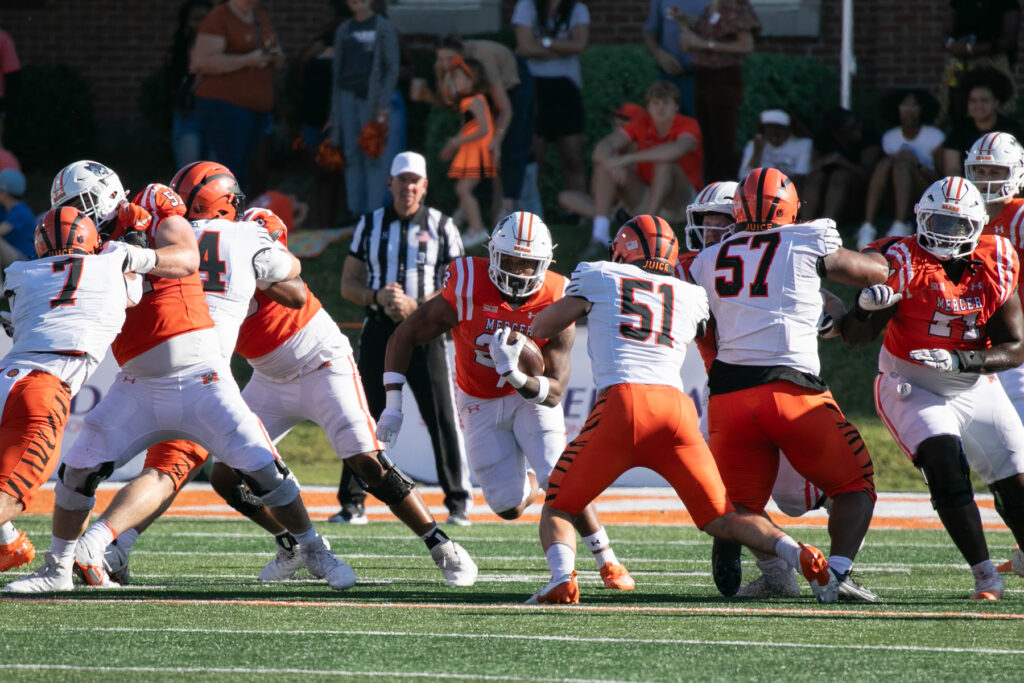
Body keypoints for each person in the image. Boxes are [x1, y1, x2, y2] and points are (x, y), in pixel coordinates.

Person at [3, 161, 355, 593]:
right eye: (69, 208)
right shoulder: (85, 243)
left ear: (105, 194)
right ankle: (58, 569)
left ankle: (313, 548)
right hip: (137, 382)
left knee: (264, 468)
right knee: (77, 469)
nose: (76, 215)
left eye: (80, 204)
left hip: (200, 373)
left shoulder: (150, 204)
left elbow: (186, 257)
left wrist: (138, 254)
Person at [92, 201, 478, 589]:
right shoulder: (183, 250)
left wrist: (249, 266)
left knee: (366, 459)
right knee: (227, 476)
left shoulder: (251, 228)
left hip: (320, 362)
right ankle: (292, 544)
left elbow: (294, 293)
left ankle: (440, 544)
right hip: (269, 375)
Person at [524, 214, 833, 604]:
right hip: (676, 411)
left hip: (623, 403)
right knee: (724, 518)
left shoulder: (599, 275)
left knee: (560, 505)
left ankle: (561, 578)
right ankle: (798, 552)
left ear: (623, 250)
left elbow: (543, 326)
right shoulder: (690, 295)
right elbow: (705, 332)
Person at [377, 211, 635, 590]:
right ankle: (533, 483)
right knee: (508, 506)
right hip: (478, 399)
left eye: (527, 263)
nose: (517, 271)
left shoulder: (557, 295)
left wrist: (516, 376)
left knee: (559, 476)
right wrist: (393, 403)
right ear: (493, 254)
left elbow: (554, 392)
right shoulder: (466, 281)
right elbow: (404, 335)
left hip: (529, 400)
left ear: (545, 263)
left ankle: (608, 560)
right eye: (510, 259)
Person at [688, 167, 889, 603]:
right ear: (793, 208)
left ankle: (785, 564)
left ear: (736, 210)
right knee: (856, 486)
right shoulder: (805, 238)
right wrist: (892, 263)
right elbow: (869, 272)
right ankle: (834, 573)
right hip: (791, 391)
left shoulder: (704, 262)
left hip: (729, 401)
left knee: (739, 510)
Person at [840, 176, 1024, 600]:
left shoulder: (996, 259)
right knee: (945, 465)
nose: (944, 232)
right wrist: (865, 309)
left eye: (957, 225)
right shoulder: (902, 259)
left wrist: (962, 359)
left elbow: (1015, 348)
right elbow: (853, 338)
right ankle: (985, 576)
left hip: (973, 383)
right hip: (912, 383)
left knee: (1015, 481)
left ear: (977, 227)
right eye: (936, 220)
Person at [0, 208, 142, 575]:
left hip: (6, 377)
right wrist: (136, 237)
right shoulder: (112, 264)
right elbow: (134, 292)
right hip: (42, 387)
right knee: (12, 494)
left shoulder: (21, 274)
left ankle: (8, 544)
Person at [338, 151, 473, 526]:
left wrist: (419, 305)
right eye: (402, 181)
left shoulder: (444, 226)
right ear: (390, 184)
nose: (408, 188)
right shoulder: (370, 224)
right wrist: (377, 296)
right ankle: (352, 502)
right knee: (364, 414)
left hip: (427, 330)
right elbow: (348, 284)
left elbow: (458, 284)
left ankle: (458, 502)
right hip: (380, 328)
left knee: (441, 415)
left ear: (425, 186)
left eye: (415, 181)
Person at [579, 81, 702, 258]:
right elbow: (603, 146)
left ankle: (644, 234)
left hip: (681, 202)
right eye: (656, 103)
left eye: (666, 103)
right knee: (605, 165)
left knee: (665, 162)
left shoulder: (689, 124)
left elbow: (676, 150)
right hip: (645, 194)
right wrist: (612, 162)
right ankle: (599, 235)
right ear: (648, 107)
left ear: (676, 106)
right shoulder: (641, 123)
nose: (661, 109)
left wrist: (626, 159)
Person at [432, 34, 531, 219]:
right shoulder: (445, 66)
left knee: (510, 141)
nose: (445, 64)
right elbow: (458, 107)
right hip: (480, 85)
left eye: (449, 59)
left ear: (460, 53)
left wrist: (497, 140)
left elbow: (506, 111)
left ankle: (507, 209)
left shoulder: (483, 61)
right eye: (441, 59)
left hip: (511, 80)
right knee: (476, 141)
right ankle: (468, 206)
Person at [190, 0, 283, 195]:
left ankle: (239, 215)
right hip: (225, 105)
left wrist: (272, 56)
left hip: (258, 108)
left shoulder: (260, 17)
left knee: (249, 169)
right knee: (228, 168)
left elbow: (279, 57)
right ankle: (223, 215)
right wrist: (247, 60)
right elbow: (202, 61)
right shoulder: (219, 18)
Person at [329, 0, 400, 217]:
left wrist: (384, 103)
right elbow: (337, 70)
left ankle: (374, 213)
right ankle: (355, 212)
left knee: (373, 153)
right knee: (351, 155)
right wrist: (334, 113)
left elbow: (391, 67)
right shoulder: (345, 28)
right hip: (346, 97)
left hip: (372, 100)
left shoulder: (382, 26)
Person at [674, 0, 759, 183]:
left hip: (724, 78)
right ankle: (711, 193)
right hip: (703, 78)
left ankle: (728, 194)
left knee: (723, 142)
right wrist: (684, 21)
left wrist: (704, 44)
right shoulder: (711, 7)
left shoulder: (734, 5)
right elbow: (712, 29)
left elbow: (746, 45)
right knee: (709, 142)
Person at [512, 0, 590, 196]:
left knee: (573, 157)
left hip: (567, 86)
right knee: (534, 156)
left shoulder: (577, 9)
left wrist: (545, 42)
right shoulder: (526, 6)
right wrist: (564, 48)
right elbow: (525, 47)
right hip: (534, 86)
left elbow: (580, 44)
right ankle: (530, 213)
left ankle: (579, 214)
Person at [857, 89, 945, 249]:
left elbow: (941, 179)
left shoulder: (934, 136)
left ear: (922, 109)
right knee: (886, 164)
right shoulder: (890, 137)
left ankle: (901, 223)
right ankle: (868, 225)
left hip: (925, 192)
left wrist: (916, 163)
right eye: (905, 107)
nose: (909, 112)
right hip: (894, 194)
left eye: (914, 107)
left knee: (903, 163)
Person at [292, 2, 349, 229]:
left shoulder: (353, 48)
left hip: (341, 120)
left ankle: (340, 224)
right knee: (321, 175)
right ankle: (324, 225)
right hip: (313, 119)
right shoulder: (316, 46)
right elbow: (297, 77)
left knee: (339, 175)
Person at [441, 57, 497, 248]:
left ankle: (477, 229)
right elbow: (469, 128)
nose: (453, 83)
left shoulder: (475, 101)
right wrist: (454, 145)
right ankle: (463, 222)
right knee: (462, 189)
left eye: (456, 78)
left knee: (463, 189)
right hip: (471, 154)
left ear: (471, 79)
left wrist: (458, 141)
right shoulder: (469, 102)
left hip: (478, 155)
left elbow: (484, 129)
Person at [940, 0, 1020, 128]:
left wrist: (973, 49)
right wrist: (951, 45)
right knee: (949, 95)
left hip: (993, 59)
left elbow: (1009, 39)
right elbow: (945, 33)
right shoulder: (958, 2)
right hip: (960, 59)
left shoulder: (1007, 2)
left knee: (1003, 105)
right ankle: (957, 133)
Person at [800, 107, 881, 226]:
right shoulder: (823, 139)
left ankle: (827, 225)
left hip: (858, 195)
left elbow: (866, 175)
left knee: (840, 176)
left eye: (857, 124)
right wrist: (826, 161)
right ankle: (805, 224)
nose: (857, 129)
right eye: (851, 128)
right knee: (816, 177)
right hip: (825, 190)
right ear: (837, 133)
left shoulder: (869, 138)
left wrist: (842, 162)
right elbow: (812, 169)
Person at [942, 67, 1024, 177]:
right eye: (973, 100)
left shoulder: (1011, 130)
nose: (978, 106)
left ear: (996, 102)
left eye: (984, 100)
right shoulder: (959, 129)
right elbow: (952, 170)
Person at [642, 0, 711, 117]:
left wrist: (699, 25)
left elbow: (726, 36)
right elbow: (649, 33)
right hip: (668, 78)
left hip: (700, 78)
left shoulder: (714, 2)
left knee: (700, 128)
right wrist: (659, 54)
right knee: (663, 128)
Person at [168, 0, 214, 169]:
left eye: (205, 18)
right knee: (189, 171)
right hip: (189, 112)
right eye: (195, 18)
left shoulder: (223, 46)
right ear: (186, 21)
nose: (201, 23)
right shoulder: (180, 48)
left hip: (217, 114)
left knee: (213, 173)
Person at [738, 109, 812, 186]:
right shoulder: (755, 144)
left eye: (778, 134)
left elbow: (801, 175)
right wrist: (757, 153)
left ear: (787, 131)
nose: (774, 139)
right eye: (770, 134)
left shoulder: (803, 144)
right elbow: (743, 177)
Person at [0, 168, 33, 270]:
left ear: (4, 193)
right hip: (15, 258)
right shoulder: (4, 209)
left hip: (27, 261)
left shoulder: (21, 211)